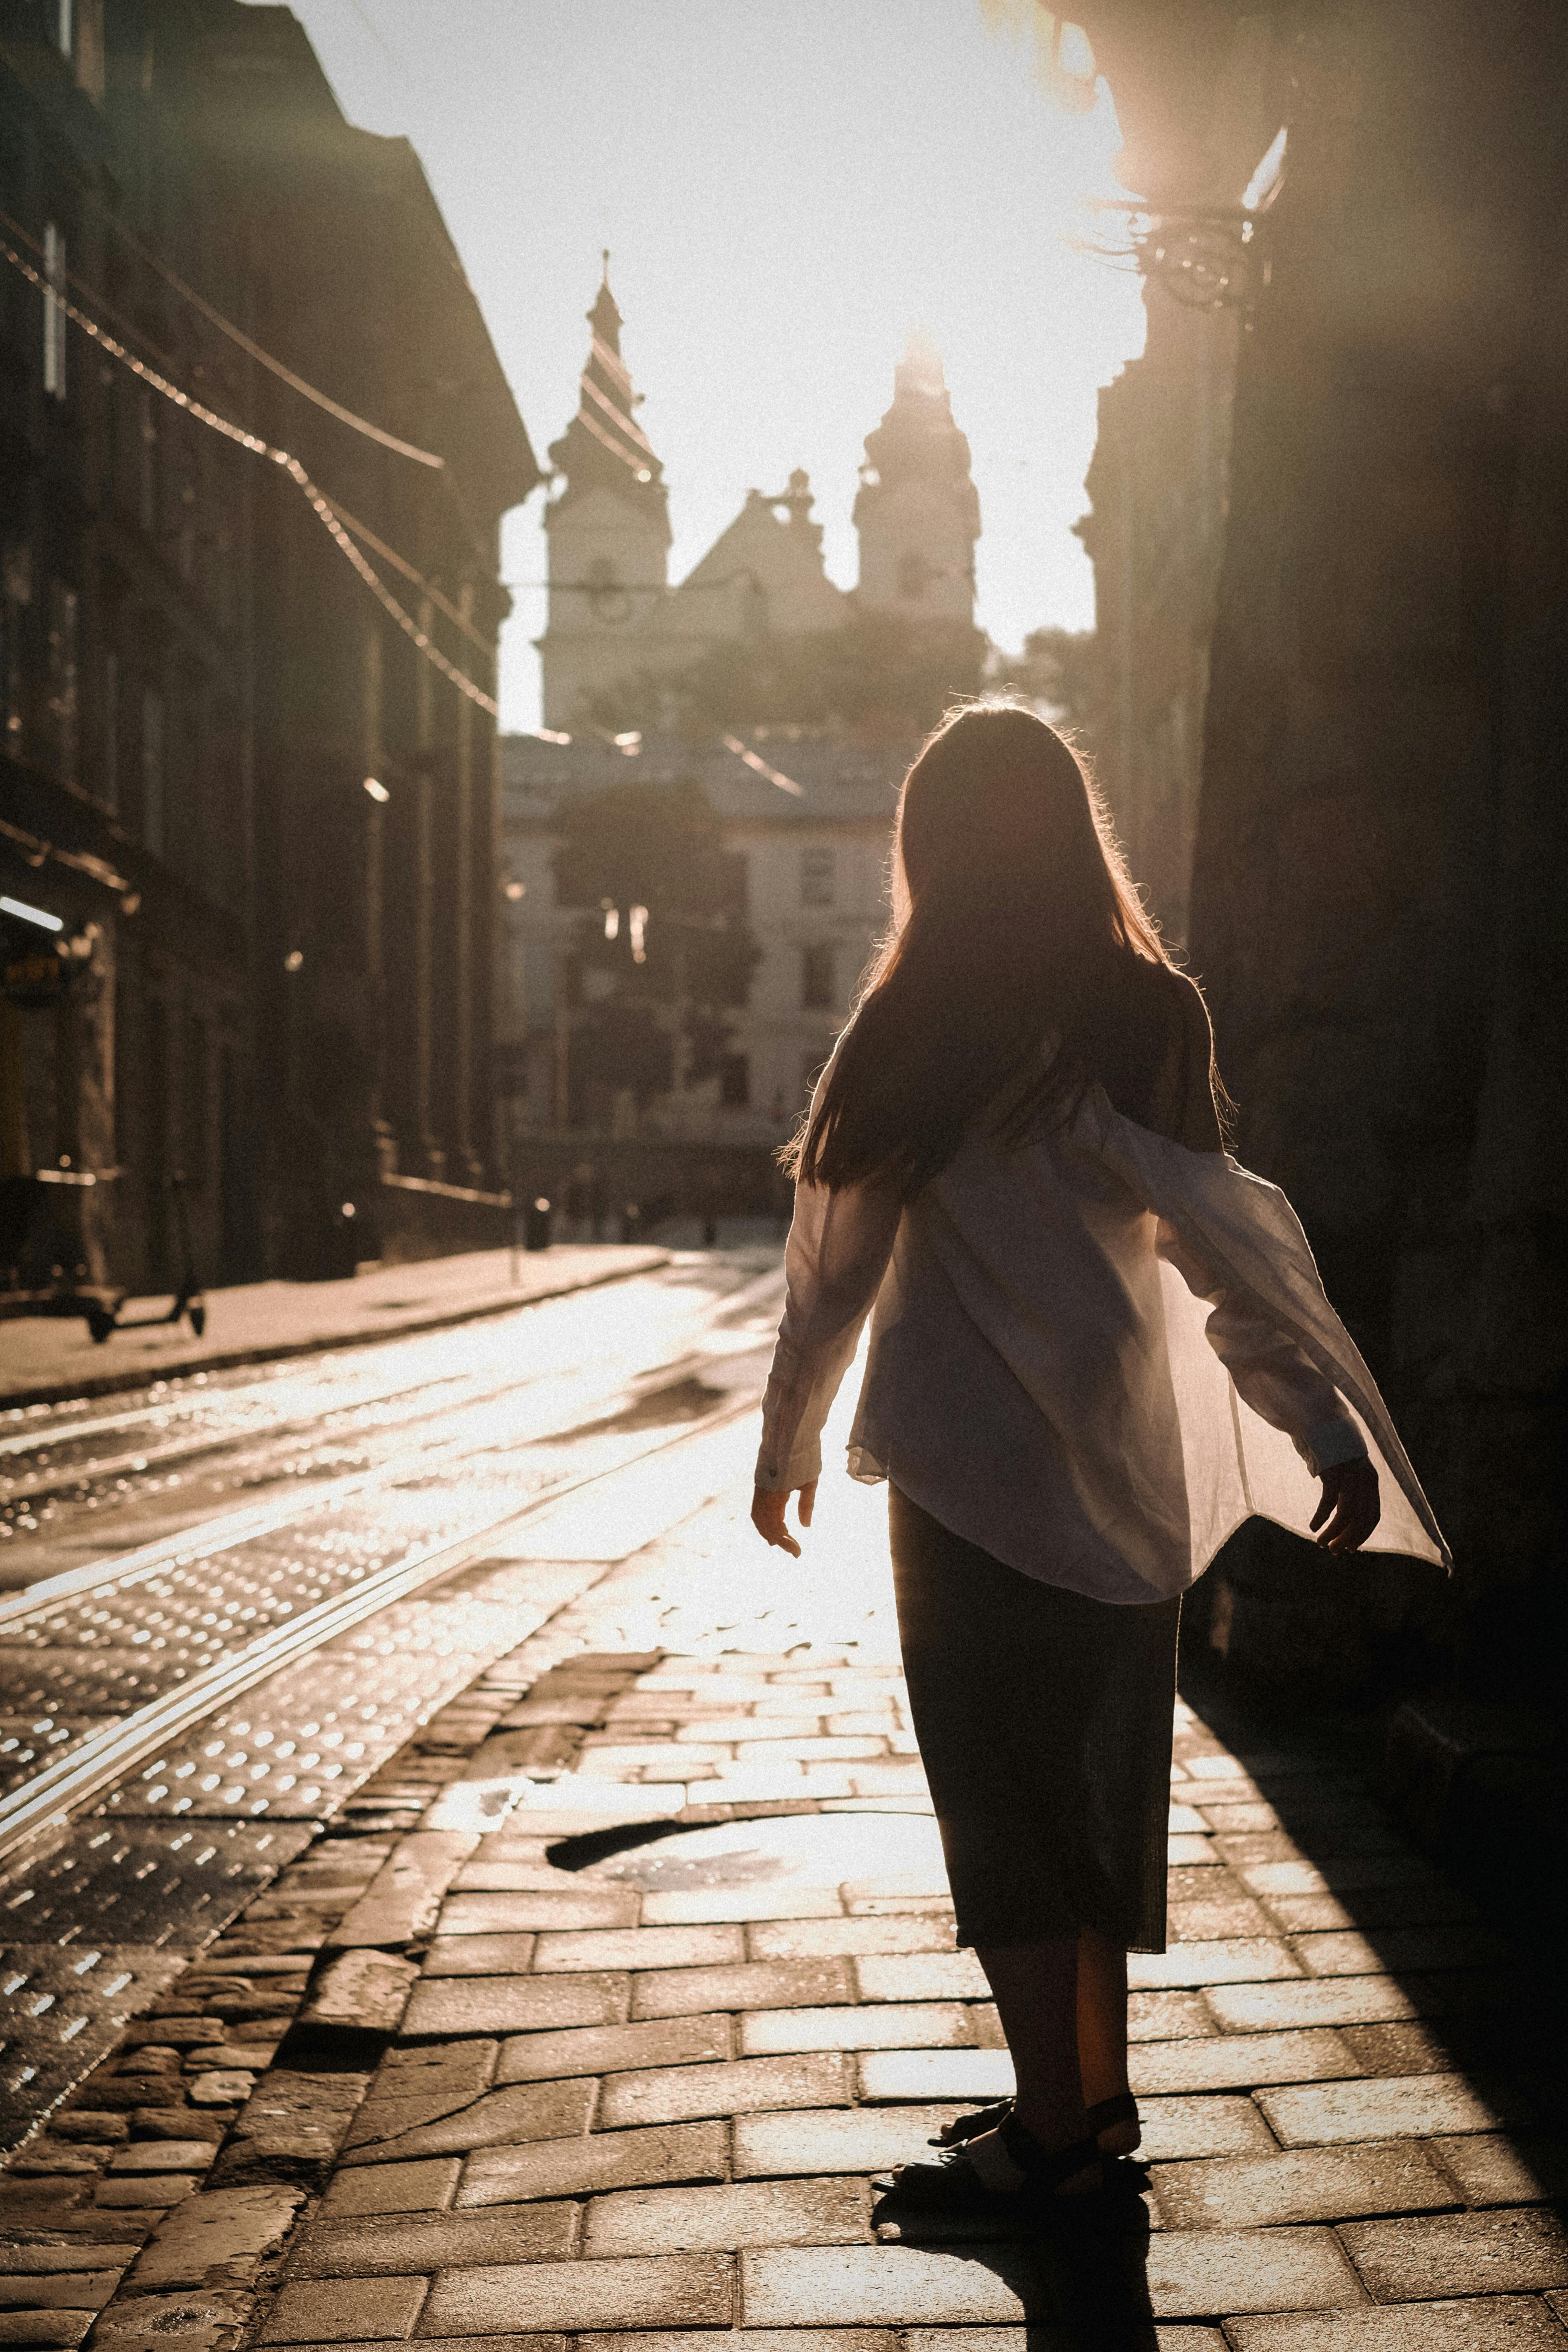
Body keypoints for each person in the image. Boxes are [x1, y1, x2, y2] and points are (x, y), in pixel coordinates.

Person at [750, 702, 1448, 2224]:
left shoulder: (912, 1017)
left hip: (954, 1479)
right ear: (1075, 831)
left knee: (998, 1795)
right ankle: (1091, 2105)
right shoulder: (1151, 1012)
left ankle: (1052, 2136)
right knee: (1093, 1783)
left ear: (926, 848)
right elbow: (1219, 1245)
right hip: (1115, 1474)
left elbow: (831, 1266)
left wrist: (787, 1434)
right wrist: (1319, 1422)